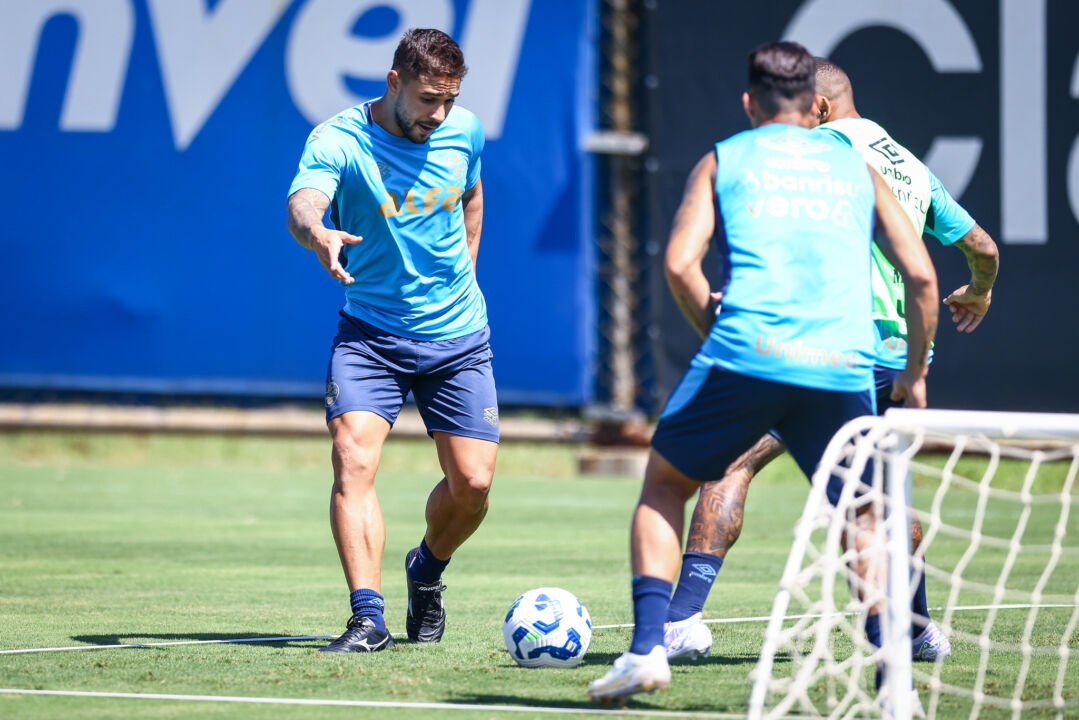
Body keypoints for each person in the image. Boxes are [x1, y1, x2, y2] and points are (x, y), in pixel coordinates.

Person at [587, 41, 938, 701]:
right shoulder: (855, 165)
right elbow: (920, 274)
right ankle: (894, 681)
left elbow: (678, 265)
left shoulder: (724, 157)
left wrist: (708, 330)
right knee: (865, 515)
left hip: (747, 352)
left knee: (665, 483)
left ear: (749, 103)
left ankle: (646, 651)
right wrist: (913, 371)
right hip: (841, 364)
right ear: (815, 106)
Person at [661, 57, 1000, 665]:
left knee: (732, 467)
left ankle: (679, 620)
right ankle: (917, 630)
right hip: (894, 355)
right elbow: (982, 246)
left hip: (818, 340)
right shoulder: (907, 164)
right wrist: (979, 290)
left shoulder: (821, 158)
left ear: (816, 108)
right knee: (879, 499)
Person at [286, 28, 498, 653]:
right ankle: (367, 616)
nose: (439, 115)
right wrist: (317, 233)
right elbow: (303, 203)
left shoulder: (466, 132)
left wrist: (467, 272)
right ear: (393, 83)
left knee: (475, 486)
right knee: (353, 458)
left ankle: (426, 570)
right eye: (428, 99)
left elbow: (472, 194)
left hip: (459, 337)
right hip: (371, 335)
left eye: (449, 101)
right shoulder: (338, 139)